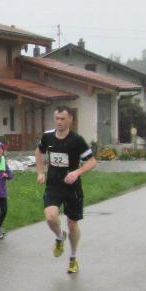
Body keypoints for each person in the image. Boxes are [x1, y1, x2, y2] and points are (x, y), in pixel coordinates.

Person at [35, 105, 98, 274]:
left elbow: (92, 162)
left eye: (63, 119)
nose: (59, 122)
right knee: (50, 217)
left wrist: (77, 172)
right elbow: (39, 152)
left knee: (72, 224)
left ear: (71, 119)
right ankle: (59, 236)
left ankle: (73, 258)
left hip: (72, 188)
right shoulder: (48, 137)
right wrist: (40, 172)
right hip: (53, 185)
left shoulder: (77, 140)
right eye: (57, 118)